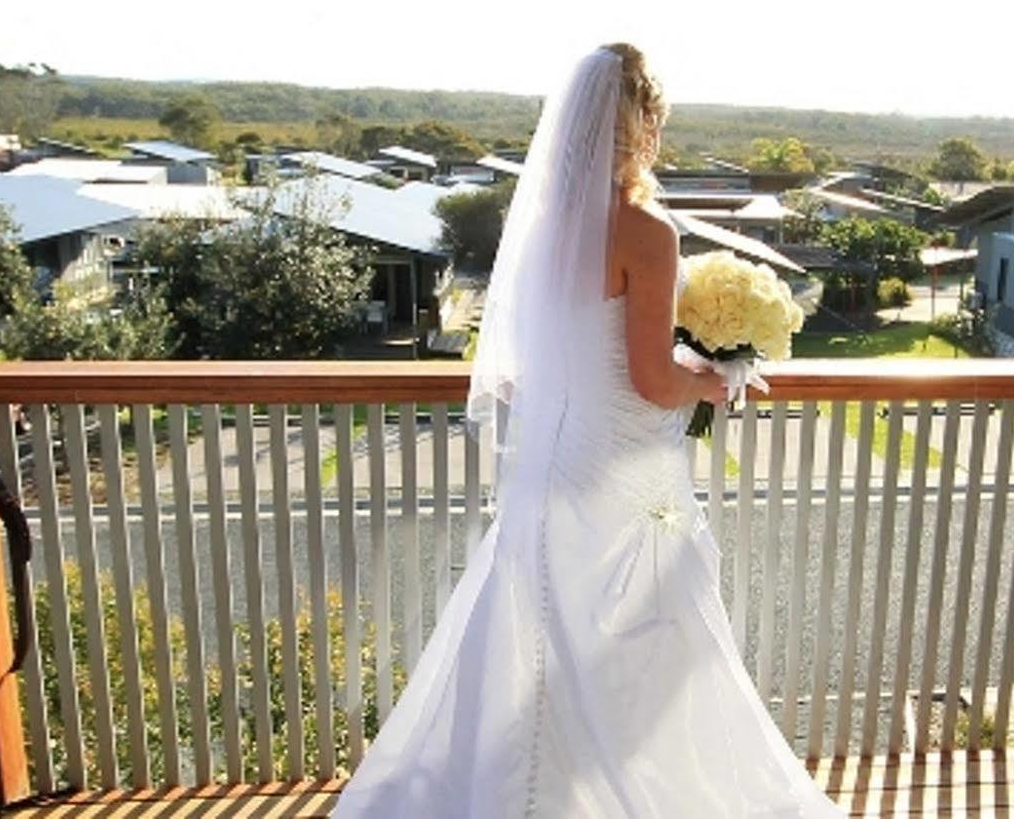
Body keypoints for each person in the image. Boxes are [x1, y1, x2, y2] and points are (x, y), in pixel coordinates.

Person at [334, 44, 842, 818]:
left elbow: (561, 352)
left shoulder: (542, 226)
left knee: (541, 635)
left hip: (554, 461)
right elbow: (649, 379)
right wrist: (716, 375)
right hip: (624, 460)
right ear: (641, 126)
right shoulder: (643, 228)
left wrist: (683, 360)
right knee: (647, 639)